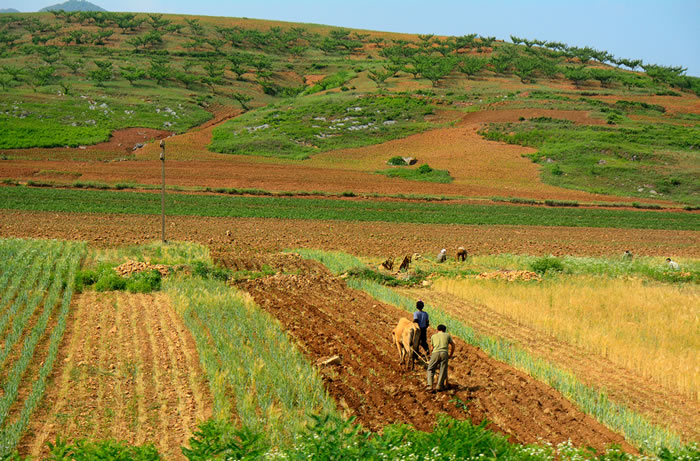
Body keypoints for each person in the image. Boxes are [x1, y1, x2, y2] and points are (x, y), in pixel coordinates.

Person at [426, 324, 455, 393]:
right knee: (443, 370)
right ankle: (439, 386)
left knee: (430, 369)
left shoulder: (433, 336)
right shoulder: (447, 335)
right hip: (444, 353)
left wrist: (432, 355)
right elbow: (453, 345)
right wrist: (450, 355)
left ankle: (430, 386)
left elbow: (432, 348)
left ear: (437, 330)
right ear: (444, 330)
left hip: (435, 353)